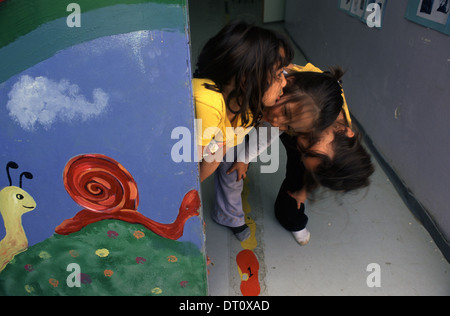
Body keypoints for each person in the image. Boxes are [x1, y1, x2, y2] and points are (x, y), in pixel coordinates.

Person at [193, 20, 294, 241]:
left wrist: (190, 193)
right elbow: (179, 174)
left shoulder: (247, 113)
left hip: (214, 144)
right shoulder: (208, 102)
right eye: (279, 75)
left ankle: (227, 215)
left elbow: (214, 156)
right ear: (247, 78)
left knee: (231, 168)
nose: (284, 83)